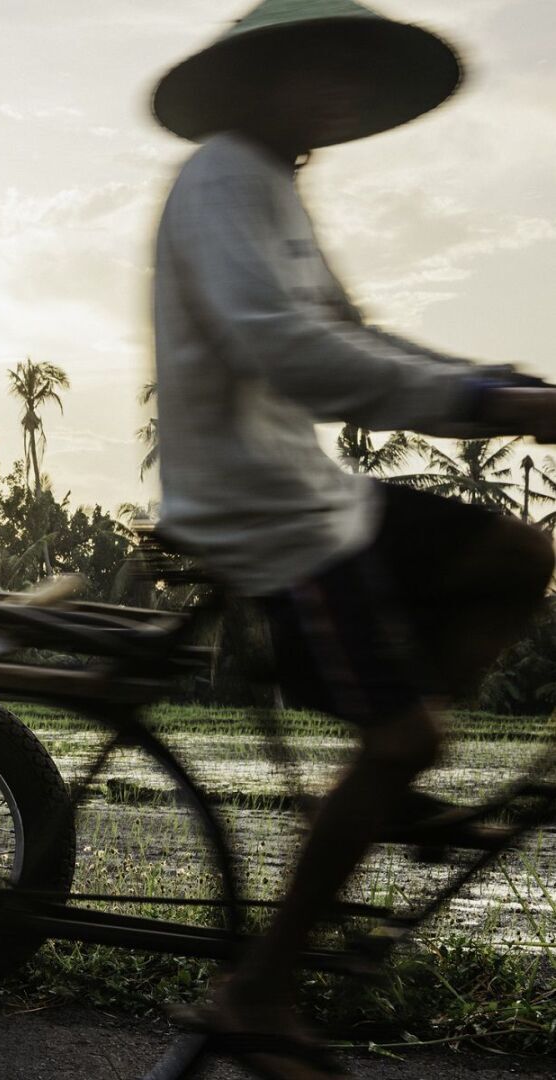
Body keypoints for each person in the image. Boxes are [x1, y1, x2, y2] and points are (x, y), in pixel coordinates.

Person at [150, 2, 556, 1074]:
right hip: (261, 513)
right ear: (259, 80)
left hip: (313, 492)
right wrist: (490, 400)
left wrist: (501, 385)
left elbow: (355, 338)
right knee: (401, 740)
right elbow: (291, 354)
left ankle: (387, 777)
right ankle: (259, 987)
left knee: (519, 553)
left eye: (351, 74)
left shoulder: (276, 186)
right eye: (321, 69)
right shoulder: (222, 178)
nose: (342, 94)